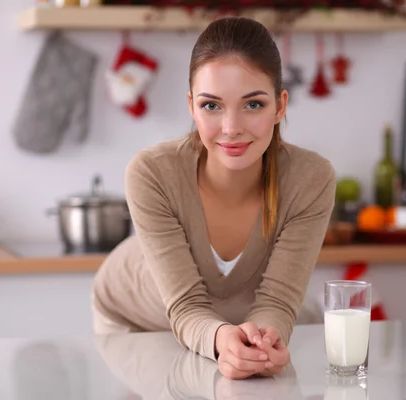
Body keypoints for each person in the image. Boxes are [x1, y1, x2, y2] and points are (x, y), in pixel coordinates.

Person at [92, 16, 336, 380]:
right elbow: (186, 305)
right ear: (192, 106)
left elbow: (278, 301)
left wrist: (265, 338)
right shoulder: (152, 173)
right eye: (212, 106)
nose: (231, 127)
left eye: (253, 104)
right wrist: (222, 340)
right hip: (137, 316)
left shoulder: (310, 179)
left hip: (231, 321)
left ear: (280, 106)